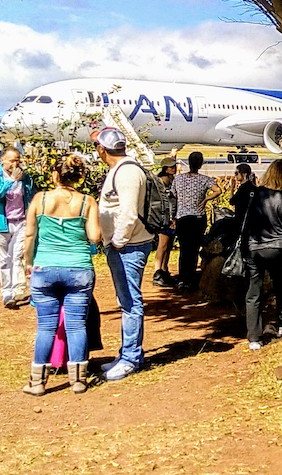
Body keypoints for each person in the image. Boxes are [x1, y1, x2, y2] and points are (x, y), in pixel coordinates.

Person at [21, 154, 101, 396]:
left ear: (54, 175)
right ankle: (78, 381)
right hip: (79, 269)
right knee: (77, 326)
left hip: (44, 268)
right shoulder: (88, 202)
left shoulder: (40, 199)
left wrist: (27, 262)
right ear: (80, 177)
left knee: (45, 326)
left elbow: (29, 235)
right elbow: (95, 237)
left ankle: (37, 383)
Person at [93, 127, 156, 381]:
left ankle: (130, 358)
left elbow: (129, 212)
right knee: (126, 301)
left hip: (129, 246)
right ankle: (127, 354)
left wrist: (117, 242)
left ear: (102, 149)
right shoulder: (121, 170)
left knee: (130, 302)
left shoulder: (127, 172)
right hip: (124, 245)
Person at [242, 159, 282, 350]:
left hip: (254, 247)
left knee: (254, 291)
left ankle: (254, 337)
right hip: (277, 248)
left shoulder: (255, 195)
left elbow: (246, 223)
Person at [0, 146, 36, 308]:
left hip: (21, 221)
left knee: (18, 256)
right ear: (2, 160)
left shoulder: (24, 177)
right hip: (0, 223)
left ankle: (17, 289)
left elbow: (31, 196)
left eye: (18, 160)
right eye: (12, 160)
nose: (16, 164)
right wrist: (11, 181)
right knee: (4, 259)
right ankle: (7, 293)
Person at [170, 151, 221, 291]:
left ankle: (183, 278)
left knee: (184, 249)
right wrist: (205, 199)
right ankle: (191, 278)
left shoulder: (178, 179)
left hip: (182, 217)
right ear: (200, 164)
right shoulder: (204, 179)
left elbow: (173, 196)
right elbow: (218, 190)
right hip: (197, 218)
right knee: (194, 249)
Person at [151, 157, 179, 288]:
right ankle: (157, 272)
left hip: (172, 217)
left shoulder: (172, 180)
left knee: (168, 245)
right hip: (164, 217)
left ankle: (164, 269)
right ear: (165, 169)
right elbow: (164, 202)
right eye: (171, 167)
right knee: (162, 245)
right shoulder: (161, 181)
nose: (173, 168)